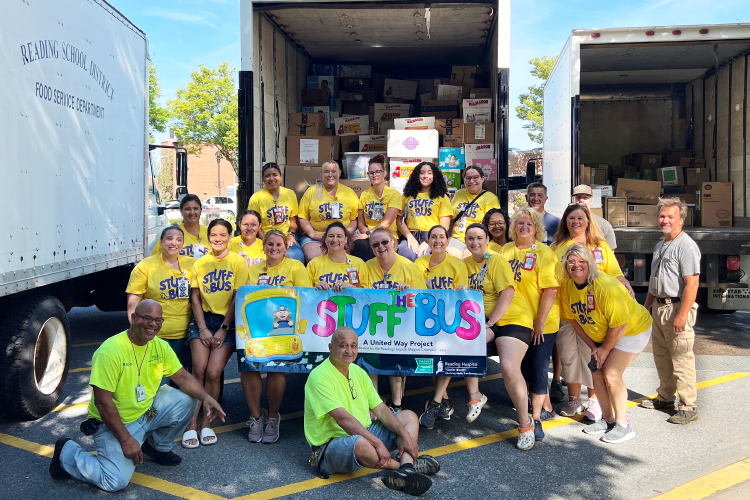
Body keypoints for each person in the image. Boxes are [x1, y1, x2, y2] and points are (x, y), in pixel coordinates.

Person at [49, 300, 225, 492]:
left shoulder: (160, 346)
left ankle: (158, 447)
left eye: (158, 320)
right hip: (115, 423)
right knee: (114, 480)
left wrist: (207, 397)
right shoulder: (110, 351)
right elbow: (103, 402)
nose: (153, 324)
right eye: (147, 318)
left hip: (147, 412)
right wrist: (126, 440)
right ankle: (67, 453)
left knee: (189, 399)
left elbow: (183, 378)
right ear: (133, 318)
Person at [304, 326, 440, 495]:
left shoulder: (358, 372)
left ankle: (405, 470)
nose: (349, 350)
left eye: (353, 346)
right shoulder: (319, 377)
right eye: (343, 345)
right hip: (329, 446)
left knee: (409, 417)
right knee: (362, 445)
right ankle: (404, 467)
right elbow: (343, 419)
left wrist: (405, 436)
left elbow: (381, 410)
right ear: (330, 347)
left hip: (363, 431)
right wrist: (377, 443)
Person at [560, 244, 652, 443]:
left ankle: (623, 425)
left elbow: (620, 325)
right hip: (603, 335)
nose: (576, 265)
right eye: (571, 261)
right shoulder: (567, 287)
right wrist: (595, 348)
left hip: (632, 330)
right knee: (596, 371)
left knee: (611, 373)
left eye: (582, 261)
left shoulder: (605, 286)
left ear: (590, 263)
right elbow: (574, 321)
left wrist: (605, 349)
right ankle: (608, 420)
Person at [550, 203, 633, 421]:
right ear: (565, 222)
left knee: (592, 355)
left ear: (588, 221)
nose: (575, 222)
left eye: (580, 218)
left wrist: (625, 284)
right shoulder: (557, 246)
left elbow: (615, 272)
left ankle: (594, 400)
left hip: (594, 312)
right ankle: (574, 398)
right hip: (568, 309)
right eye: (571, 218)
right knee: (568, 355)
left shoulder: (600, 245)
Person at [184, 219, 249, 448]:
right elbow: (195, 297)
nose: (218, 239)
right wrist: (201, 328)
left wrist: (223, 329)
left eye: (223, 235)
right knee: (198, 370)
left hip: (226, 322)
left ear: (230, 237)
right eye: (213, 235)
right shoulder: (200, 263)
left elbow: (236, 298)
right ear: (208, 236)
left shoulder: (238, 263)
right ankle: (191, 422)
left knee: (213, 373)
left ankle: (206, 422)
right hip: (203, 319)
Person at [243, 230, 312, 443]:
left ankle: (273, 416)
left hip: (284, 328)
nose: (274, 248)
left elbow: (306, 294)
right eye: (270, 244)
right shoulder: (252, 270)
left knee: (277, 369)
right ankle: (256, 416)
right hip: (254, 327)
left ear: (285, 247)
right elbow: (242, 295)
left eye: (278, 245)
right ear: (263, 247)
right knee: (249, 368)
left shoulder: (295, 267)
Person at [499, 207, 559, 448]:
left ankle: (535, 418)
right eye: (520, 223)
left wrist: (540, 322)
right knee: (520, 367)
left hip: (541, 320)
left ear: (537, 228)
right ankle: (526, 409)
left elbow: (551, 290)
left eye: (529, 224)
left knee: (538, 366)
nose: (524, 227)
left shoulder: (545, 252)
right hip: (515, 319)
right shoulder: (506, 250)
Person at [641, 198, 700, 424]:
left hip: (676, 307)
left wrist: (682, 315)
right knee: (662, 356)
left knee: (681, 358)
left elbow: (692, 284)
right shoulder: (661, 245)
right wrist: (646, 308)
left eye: (671, 217)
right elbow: (654, 282)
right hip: (659, 307)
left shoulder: (686, 246)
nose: (665, 220)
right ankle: (665, 397)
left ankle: (688, 406)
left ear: (681, 220)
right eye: (663, 216)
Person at [362, 227, 424, 411]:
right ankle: (374, 406)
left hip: (401, 325)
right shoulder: (366, 266)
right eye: (375, 244)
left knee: (395, 357)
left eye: (384, 242)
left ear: (394, 243)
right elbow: (361, 296)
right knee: (369, 359)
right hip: (373, 324)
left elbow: (421, 300)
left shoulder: (409, 267)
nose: (380, 247)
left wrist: (409, 293)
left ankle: (397, 406)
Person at [413, 225, 469, 429]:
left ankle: (436, 403)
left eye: (441, 237)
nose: (437, 240)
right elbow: (418, 294)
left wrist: (462, 290)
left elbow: (461, 293)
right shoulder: (419, 263)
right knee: (426, 354)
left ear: (447, 241)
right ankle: (443, 400)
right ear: (427, 242)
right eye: (433, 237)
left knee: (448, 349)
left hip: (449, 320)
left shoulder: (457, 265)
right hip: (426, 320)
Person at [462, 224, 515, 423]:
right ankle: (459, 397)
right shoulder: (464, 263)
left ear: (487, 240)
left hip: (496, 320)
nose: (475, 242)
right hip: (473, 318)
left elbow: (507, 293)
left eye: (479, 238)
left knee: (472, 340)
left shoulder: (497, 261)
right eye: (470, 239)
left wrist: (489, 322)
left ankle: (474, 396)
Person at [126, 226, 196, 370]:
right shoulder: (145, 266)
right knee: (156, 381)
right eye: (169, 238)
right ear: (161, 242)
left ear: (183, 244)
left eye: (179, 240)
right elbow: (133, 301)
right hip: (154, 334)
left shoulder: (193, 265)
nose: (174, 243)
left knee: (179, 382)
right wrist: (136, 330)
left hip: (183, 335)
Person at [298, 160, 359, 263]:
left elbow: (354, 220)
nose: (330, 175)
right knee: (315, 258)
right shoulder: (312, 192)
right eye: (326, 172)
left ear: (339, 173)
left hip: (341, 236)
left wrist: (344, 236)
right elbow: (303, 218)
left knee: (340, 257)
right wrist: (313, 235)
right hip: (316, 235)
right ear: (322, 174)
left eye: (334, 171)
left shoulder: (349, 193)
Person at [248, 162, 305, 263]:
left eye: (275, 175)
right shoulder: (256, 198)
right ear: (263, 179)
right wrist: (266, 241)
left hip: (286, 236)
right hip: (264, 238)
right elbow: (254, 224)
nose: (271, 178)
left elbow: (292, 219)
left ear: (281, 177)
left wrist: (291, 234)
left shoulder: (289, 194)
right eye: (267, 176)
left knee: (297, 256)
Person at [396, 162, 452, 261]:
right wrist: (410, 237)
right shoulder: (406, 196)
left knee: (426, 256)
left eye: (429, 173)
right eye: (422, 173)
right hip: (410, 234)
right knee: (404, 252)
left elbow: (445, 225)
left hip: (432, 236)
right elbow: (400, 220)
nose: (425, 176)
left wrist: (428, 241)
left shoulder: (442, 197)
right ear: (417, 176)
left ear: (435, 176)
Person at [353, 154, 402, 261]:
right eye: (371, 173)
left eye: (378, 172)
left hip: (388, 235)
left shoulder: (394, 194)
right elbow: (361, 223)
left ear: (385, 173)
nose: (374, 175)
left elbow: (387, 222)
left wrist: (370, 234)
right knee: (358, 245)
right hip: (368, 236)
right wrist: (367, 233)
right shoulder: (364, 195)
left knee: (382, 248)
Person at [447, 166, 500, 258]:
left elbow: (490, 225)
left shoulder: (491, 198)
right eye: (468, 178)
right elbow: (450, 217)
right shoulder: (459, 194)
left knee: (470, 259)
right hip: (457, 238)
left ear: (482, 179)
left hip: (477, 239)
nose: (472, 181)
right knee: (452, 259)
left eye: (475, 177)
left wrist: (473, 244)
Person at [308, 222, 368, 291]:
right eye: (331, 236)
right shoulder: (314, 264)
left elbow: (366, 294)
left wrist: (351, 288)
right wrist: (315, 289)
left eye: (339, 236)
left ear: (346, 239)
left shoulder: (359, 263)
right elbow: (306, 293)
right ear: (325, 239)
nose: (335, 240)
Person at [152, 194, 209, 259]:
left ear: (201, 211)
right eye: (187, 209)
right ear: (181, 211)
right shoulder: (172, 233)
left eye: (196, 209)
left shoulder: (210, 233)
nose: (192, 212)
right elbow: (153, 261)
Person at [572, 185, 617, 250]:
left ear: (592, 201)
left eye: (585, 198)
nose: (581, 200)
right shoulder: (566, 223)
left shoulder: (603, 225)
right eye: (578, 198)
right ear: (573, 200)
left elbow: (610, 253)